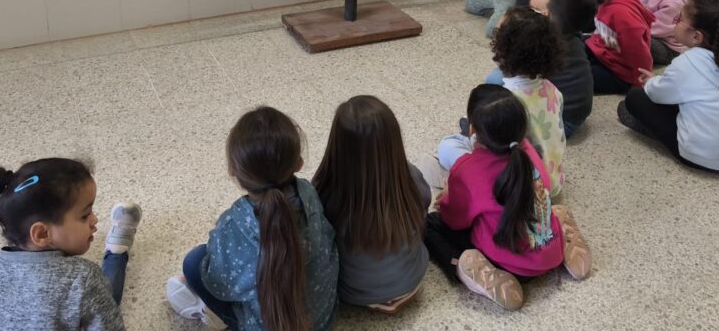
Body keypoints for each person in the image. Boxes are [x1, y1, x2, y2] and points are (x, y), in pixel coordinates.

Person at [167, 107, 338, 331]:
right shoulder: (308, 193)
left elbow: (219, 286)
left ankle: (213, 315)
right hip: (321, 321)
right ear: (299, 163)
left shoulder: (233, 224)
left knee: (194, 261)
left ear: (233, 171)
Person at [423, 86, 591, 311]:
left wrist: (447, 195)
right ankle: (565, 235)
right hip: (550, 251)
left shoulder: (468, 169)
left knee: (430, 224)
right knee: (552, 210)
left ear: (471, 129)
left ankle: (467, 267)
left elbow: (455, 220)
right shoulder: (528, 154)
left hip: (508, 265)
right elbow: (543, 189)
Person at [0, 157, 141, 331]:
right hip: (92, 295)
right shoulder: (84, 277)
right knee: (103, 294)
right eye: (85, 215)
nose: (95, 220)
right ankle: (116, 254)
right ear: (41, 233)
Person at [312, 96, 429, 314]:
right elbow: (425, 204)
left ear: (337, 144)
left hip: (355, 293)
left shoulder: (323, 189)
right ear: (394, 142)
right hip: (411, 281)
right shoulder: (410, 177)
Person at [619, 0, 719, 171]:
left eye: (678, 19)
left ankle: (647, 130)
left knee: (635, 97)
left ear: (696, 36)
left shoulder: (689, 61)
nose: (674, 22)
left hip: (698, 157)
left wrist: (650, 81)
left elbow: (658, 94)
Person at [481, 9, 566, 197]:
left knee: (451, 146)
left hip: (529, 190)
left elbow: (494, 147)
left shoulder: (508, 102)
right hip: (554, 181)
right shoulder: (552, 90)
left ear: (503, 50)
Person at [530, 0, 597, 137]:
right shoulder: (572, 35)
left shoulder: (542, 42)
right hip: (575, 117)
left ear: (546, 14)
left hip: (557, 122)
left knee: (496, 80)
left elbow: (515, 71)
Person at [584, 0, 655, 94]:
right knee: (571, 44)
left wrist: (641, 81)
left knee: (580, 75)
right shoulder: (605, 0)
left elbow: (639, 53)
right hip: (603, 51)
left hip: (619, 73)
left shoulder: (622, 14)